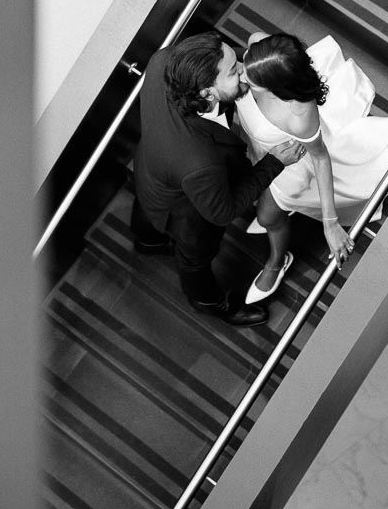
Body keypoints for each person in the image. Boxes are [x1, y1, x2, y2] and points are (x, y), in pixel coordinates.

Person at [131, 31, 306, 327]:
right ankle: (210, 303)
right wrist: (275, 162)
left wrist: (263, 63)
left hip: (149, 168)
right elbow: (223, 211)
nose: (242, 69)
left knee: (147, 211)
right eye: (234, 71)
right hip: (186, 209)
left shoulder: (164, 61)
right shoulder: (199, 161)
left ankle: (147, 243)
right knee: (194, 260)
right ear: (207, 93)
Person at [235, 30, 388, 303]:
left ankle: (277, 261)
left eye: (249, 77)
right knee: (263, 201)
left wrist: (330, 223)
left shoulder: (299, 116)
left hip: (291, 166)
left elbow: (321, 158)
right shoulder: (257, 48)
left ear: (277, 89)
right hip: (258, 149)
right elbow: (253, 39)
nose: (241, 74)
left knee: (267, 216)